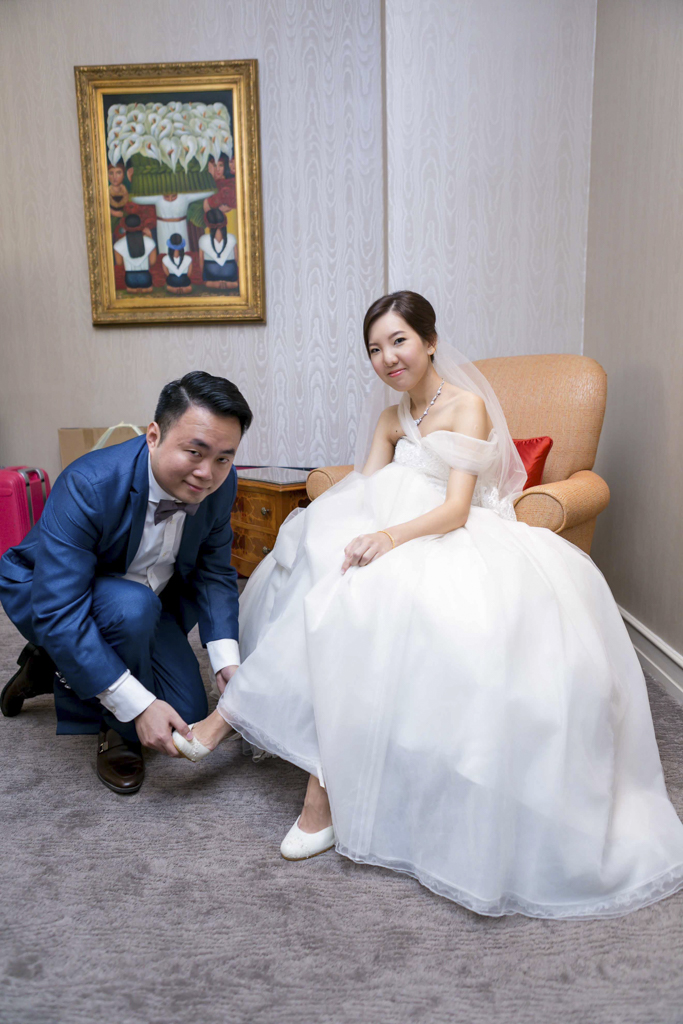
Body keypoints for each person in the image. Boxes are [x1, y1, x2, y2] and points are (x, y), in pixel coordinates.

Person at [176, 291, 683, 919]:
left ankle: (301, 778)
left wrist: (387, 539)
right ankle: (269, 742)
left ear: (430, 341)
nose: (388, 358)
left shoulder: (467, 407)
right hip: (389, 527)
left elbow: (455, 508)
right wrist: (333, 529)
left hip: (449, 534)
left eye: (399, 341)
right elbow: (363, 488)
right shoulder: (391, 419)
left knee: (361, 596)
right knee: (321, 570)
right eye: (375, 349)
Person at [0, 372, 252, 795]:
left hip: (150, 602)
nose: (206, 473)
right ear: (154, 436)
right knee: (132, 612)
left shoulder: (220, 486)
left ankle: (48, 665)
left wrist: (226, 661)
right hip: (57, 595)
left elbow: (215, 573)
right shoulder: (88, 483)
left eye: (223, 458)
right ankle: (115, 730)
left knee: (187, 709)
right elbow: (58, 609)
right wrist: (135, 707)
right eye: (194, 452)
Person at [132, 189, 214, 255]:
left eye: (173, 196)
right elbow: (136, 198)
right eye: (167, 196)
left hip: (180, 226)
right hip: (163, 227)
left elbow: (207, 192)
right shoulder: (158, 197)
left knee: (183, 251)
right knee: (165, 252)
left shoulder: (184, 195)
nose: (170, 199)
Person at [113, 214, 157, 293]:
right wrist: (150, 237)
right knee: (148, 289)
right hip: (145, 278)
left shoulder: (118, 244)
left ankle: (132, 289)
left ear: (124, 226)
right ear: (140, 225)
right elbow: (152, 262)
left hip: (130, 279)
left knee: (131, 289)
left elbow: (119, 263)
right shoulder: (149, 241)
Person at [198, 209, 238, 291]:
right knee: (234, 282)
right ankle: (231, 283)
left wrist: (204, 277)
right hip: (229, 271)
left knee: (207, 282)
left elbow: (201, 261)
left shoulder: (203, 239)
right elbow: (236, 259)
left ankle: (212, 283)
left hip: (211, 271)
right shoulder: (232, 237)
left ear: (208, 224)